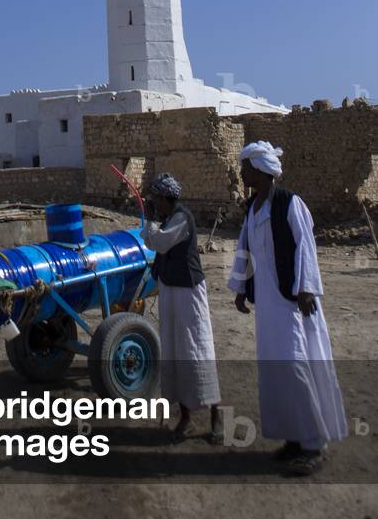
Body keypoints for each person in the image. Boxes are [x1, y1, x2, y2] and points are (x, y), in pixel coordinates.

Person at [228, 141, 347, 476]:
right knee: (276, 371)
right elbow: (244, 250)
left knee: (297, 367)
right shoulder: (253, 208)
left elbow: (305, 248)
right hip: (266, 303)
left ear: (261, 170)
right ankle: (293, 438)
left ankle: (313, 445)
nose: (241, 173)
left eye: (245, 167)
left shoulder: (290, 203)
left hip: (291, 301)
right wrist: (240, 288)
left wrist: (307, 288)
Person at [143, 172, 222, 442]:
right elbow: (155, 244)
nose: (154, 204)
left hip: (188, 293)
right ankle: (186, 418)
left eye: (155, 199)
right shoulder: (167, 219)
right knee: (176, 350)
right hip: (170, 290)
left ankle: (216, 416)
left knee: (197, 349)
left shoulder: (181, 218)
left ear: (166, 198)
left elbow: (159, 242)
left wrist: (150, 223)